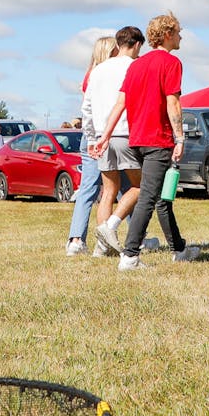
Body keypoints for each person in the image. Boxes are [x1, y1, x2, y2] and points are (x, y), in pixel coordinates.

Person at [94, 13, 200, 271]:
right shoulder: (171, 63)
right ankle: (130, 256)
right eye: (177, 32)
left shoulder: (136, 65)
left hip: (137, 140)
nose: (180, 36)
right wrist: (180, 137)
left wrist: (105, 136)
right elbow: (172, 102)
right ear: (166, 34)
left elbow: (121, 103)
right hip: (157, 140)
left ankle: (179, 249)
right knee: (149, 198)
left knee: (161, 197)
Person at [83, 26, 145, 257]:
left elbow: (86, 107)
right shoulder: (135, 67)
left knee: (109, 189)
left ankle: (101, 247)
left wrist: (92, 138)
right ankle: (110, 228)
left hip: (102, 135)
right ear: (137, 44)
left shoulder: (97, 70)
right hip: (127, 132)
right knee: (141, 186)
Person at [65, 35, 118, 256]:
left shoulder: (90, 76)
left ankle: (76, 239)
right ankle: (139, 238)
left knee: (89, 187)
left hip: (91, 135)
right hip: (105, 133)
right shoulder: (108, 75)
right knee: (125, 186)